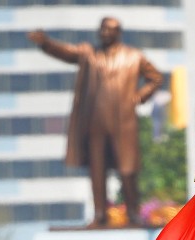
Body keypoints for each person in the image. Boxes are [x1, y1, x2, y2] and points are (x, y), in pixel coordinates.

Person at [28, 18, 163, 227]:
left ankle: (133, 214)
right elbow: (67, 52)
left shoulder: (133, 56)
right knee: (97, 170)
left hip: (123, 123)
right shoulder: (89, 54)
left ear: (119, 32)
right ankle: (100, 214)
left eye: (110, 29)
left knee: (127, 170)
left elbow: (155, 77)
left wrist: (139, 97)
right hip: (95, 123)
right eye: (103, 29)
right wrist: (46, 43)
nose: (106, 33)